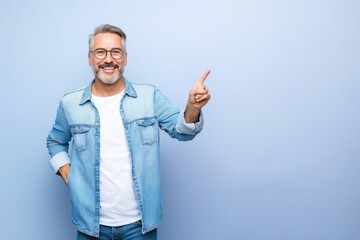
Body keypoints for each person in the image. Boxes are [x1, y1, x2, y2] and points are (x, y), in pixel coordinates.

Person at [46, 24, 211, 240]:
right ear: (90, 58)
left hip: (140, 225)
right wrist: (69, 175)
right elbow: (55, 141)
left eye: (116, 52)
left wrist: (193, 107)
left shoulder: (149, 96)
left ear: (125, 58)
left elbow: (182, 131)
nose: (108, 59)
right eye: (100, 52)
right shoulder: (70, 103)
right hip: (91, 226)